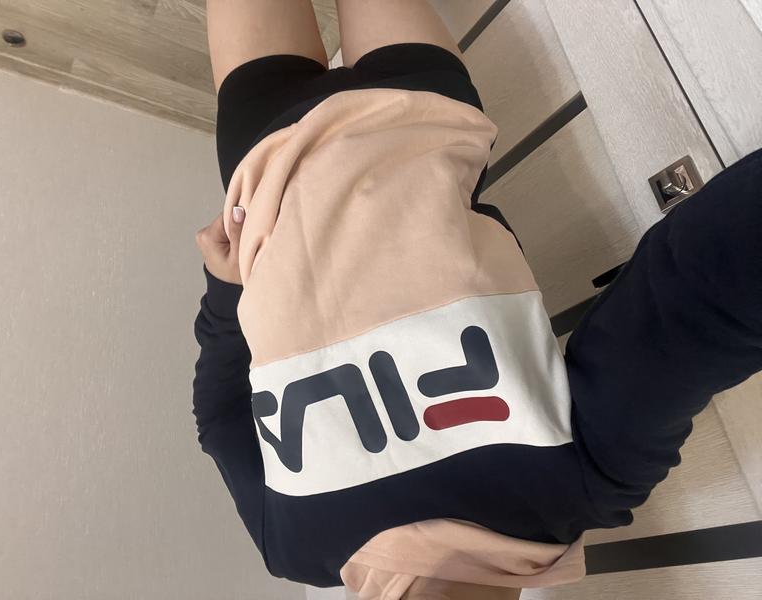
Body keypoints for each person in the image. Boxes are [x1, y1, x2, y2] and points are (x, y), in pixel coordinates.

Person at [192, 1, 762, 598]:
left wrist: (224, 294)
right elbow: (695, 296)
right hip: (419, 105)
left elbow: (220, 416)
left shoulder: (292, 548)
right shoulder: (581, 483)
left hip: (263, 150)